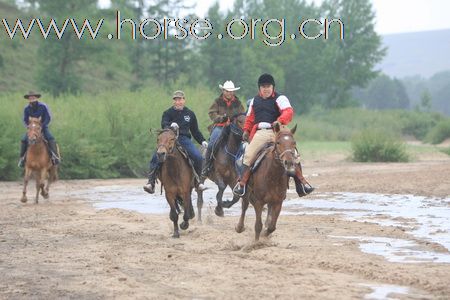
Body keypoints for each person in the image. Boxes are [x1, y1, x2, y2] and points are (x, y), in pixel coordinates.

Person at [232, 74, 314, 197]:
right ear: (259, 88)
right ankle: (242, 184)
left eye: (268, 86)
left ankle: (302, 184)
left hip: (279, 130)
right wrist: (246, 130)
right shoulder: (255, 101)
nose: (266, 89)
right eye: (263, 86)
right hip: (261, 132)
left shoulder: (280, 98)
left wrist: (280, 120)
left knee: (293, 154)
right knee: (248, 154)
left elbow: (288, 111)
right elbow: (249, 118)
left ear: (273, 87)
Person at [143, 90, 208, 194]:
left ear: (184, 100)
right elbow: (164, 124)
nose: (178, 102)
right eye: (176, 100)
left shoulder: (190, 114)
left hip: (184, 139)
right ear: (173, 101)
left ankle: (197, 182)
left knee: (198, 157)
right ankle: (151, 183)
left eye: (180, 99)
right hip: (169, 139)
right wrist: (170, 126)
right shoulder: (167, 113)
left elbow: (195, 131)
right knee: (155, 156)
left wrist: (202, 141)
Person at [201, 80, 245, 177]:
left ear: (233, 92)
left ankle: (240, 167)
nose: (229, 93)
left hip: (234, 127)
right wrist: (221, 118)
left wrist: (234, 121)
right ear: (223, 91)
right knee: (212, 143)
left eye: (231, 91)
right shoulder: (217, 101)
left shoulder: (238, 103)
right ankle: (207, 167)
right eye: (227, 91)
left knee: (242, 145)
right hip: (220, 126)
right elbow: (212, 113)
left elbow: (242, 115)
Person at [19, 91, 60, 167]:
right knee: (23, 140)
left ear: (36, 98)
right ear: (28, 99)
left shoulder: (43, 106)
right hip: (31, 129)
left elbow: (48, 117)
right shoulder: (26, 108)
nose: (32, 99)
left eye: (33, 97)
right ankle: (22, 159)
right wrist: (28, 127)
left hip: (43, 127)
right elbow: (24, 119)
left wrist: (42, 126)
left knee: (50, 138)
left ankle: (55, 157)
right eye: (30, 98)